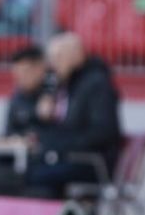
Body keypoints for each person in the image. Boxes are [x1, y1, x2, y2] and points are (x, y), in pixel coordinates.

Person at [26, 33, 123, 197]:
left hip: (92, 163)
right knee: (28, 170)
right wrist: (43, 118)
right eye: (51, 58)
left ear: (76, 55)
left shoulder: (96, 83)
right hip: (74, 157)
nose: (53, 64)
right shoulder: (69, 84)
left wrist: (57, 144)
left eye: (58, 57)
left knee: (34, 176)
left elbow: (104, 132)